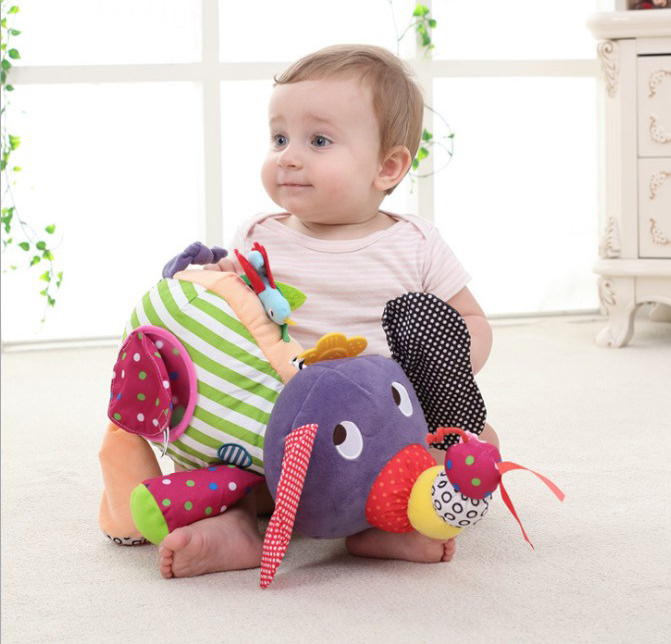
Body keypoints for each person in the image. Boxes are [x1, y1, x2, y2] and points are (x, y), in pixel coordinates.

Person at [158, 44, 498, 579]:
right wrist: (213, 279)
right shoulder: (260, 235)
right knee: (233, 461)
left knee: (474, 448)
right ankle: (240, 527)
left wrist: (440, 374)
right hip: (284, 418)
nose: (288, 157)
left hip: (383, 424)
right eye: (279, 138)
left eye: (318, 141)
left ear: (387, 166)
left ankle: (387, 522)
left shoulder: (415, 244)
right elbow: (239, 313)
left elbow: (471, 322)